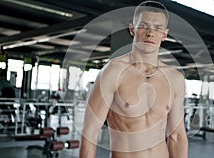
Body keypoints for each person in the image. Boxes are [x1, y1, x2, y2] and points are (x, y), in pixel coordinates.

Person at [80, 1, 188, 158]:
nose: (150, 33)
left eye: (157, 28)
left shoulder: (175, 78)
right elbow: (90, 131)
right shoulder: (113, 72)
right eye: (144, 25)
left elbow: (177, 135)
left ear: (164, 34)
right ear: (133, 29)